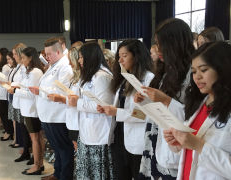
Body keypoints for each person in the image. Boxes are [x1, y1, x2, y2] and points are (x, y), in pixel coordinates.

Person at [135, 18, 195, 179]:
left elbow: (195, 118)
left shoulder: (193, 73)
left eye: (162, 43)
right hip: (158, 138)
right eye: (156, 43)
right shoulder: (165, 70)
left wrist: (166, 101)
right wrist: (145, 101)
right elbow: (159, 109)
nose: (158, 48)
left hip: (177, 146)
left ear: (176, 44)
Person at [164, 42, 231, 180]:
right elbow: (191, 154)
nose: (197, 77)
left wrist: (199, 145)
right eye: (194, 71)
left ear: (223, 69)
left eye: (203, 70)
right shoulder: (199, 102)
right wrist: (177, 143)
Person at [97, 39, 154, 180]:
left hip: (137, 139)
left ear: (136, 56)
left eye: (124, 55)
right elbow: (121, 106)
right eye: (119, 56)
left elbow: (145, 115)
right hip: (119, 137)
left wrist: (116, 112)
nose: (120, 60)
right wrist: (108, 109)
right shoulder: (125, 78)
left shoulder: (149, 79)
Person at [67, 42, 115, 179]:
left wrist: (78, 102)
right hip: (87, 132)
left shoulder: (102, 77)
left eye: (81, 57)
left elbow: (103, 106)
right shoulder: (90, 75)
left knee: (97, 173)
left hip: (99, 133)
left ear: (90, 57)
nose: (79, 61)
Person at [29, 37, 73, 180]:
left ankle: (64, 176)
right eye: (45, 54)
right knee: (57, 148)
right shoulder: (53, 65)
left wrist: (40, 90)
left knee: (64, 149)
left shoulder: (65, 66)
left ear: (59, 51)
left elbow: (61, 90)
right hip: (48, 115)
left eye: (49, 54)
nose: (46, 57)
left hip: (57, 116)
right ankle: (57, 173)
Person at [15, 47, 45, 175]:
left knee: (35, 138)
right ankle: (39, 163)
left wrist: (15, 90)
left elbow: (31, 93)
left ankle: (37, 166)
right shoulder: (30, 70)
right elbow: (25, 87)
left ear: (31, 58)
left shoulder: (35, 72)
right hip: (28, 108)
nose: (22, 60)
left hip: (32, 109)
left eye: (23, 58)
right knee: (36, 137)